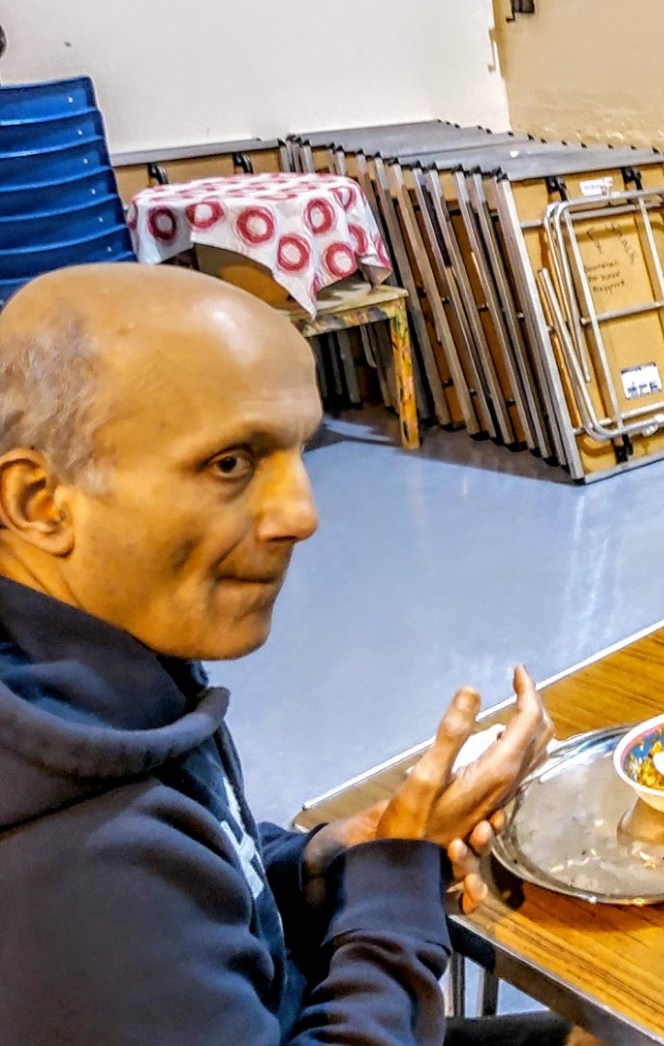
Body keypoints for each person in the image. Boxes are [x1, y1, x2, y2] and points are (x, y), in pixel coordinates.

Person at [0, 265, 579, 1045]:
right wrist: (394, 896)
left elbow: (211, 886)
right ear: (39, 502)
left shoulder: (87, 685)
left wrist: (335, 857)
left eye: (298, 452)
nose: (303, 514)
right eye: (230, 463)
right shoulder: (73, 867)